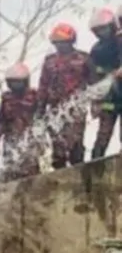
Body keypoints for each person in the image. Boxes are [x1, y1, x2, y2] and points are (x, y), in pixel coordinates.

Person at [38, 22, 94, 169]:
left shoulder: (84, 58)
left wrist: (96, 105)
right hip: (55, 109)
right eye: (57, 43)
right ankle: (59, 176)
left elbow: (94, 83)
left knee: (75, 145)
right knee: (58, 148)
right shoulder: (49, 61)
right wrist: (40, 110)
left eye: (63, 42)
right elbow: (43, 85)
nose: (60, 46)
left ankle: (79, 174)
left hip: (76, 108)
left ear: (71, 41)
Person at [0, 62, 42, 184]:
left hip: (30, 139)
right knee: (10, 171)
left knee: (30, 173)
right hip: (11, 140)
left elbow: (41, 118)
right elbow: (1, 121)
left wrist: (42, 141)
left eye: (18, 82)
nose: (16, 85)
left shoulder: (35, 95)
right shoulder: (6, 98)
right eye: (13, 82)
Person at [90, 7, 122, 160]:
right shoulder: (96, 50)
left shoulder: (120, 41)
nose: (102, 33)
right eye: (99, 30)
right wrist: (94, 102)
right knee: (102, 136)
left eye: (105, 29)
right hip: (108, 100)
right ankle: (93, 167)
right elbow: (93, 78)